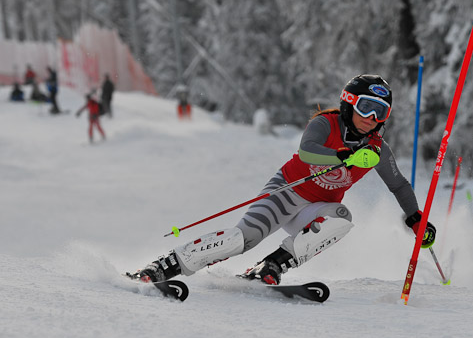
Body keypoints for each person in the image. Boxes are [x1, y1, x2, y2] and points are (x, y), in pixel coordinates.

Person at [127, 74, 436, 286]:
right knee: (240, 240)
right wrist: (344, 157)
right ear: (349, 102)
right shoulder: (324, 123)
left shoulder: (377, 150)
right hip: (285, 193)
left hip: (317, 209)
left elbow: (398, 184)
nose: (371, 118)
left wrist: (415, 218)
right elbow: (308, 151)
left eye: (380, 112)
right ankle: (167, 265)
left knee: (342, 217)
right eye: (366, 107)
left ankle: (271, 266)